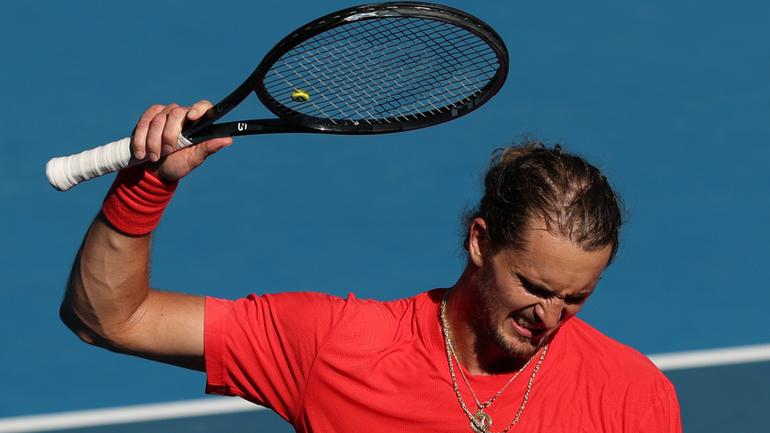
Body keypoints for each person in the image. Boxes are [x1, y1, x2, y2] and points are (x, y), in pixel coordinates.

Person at [60, 101, 682, 433]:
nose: (550, 316)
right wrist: (142, 189)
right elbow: (109, 317)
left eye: (575, 298)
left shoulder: (631, 395)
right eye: (535, 286)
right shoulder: (333, 349)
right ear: (480, 242)